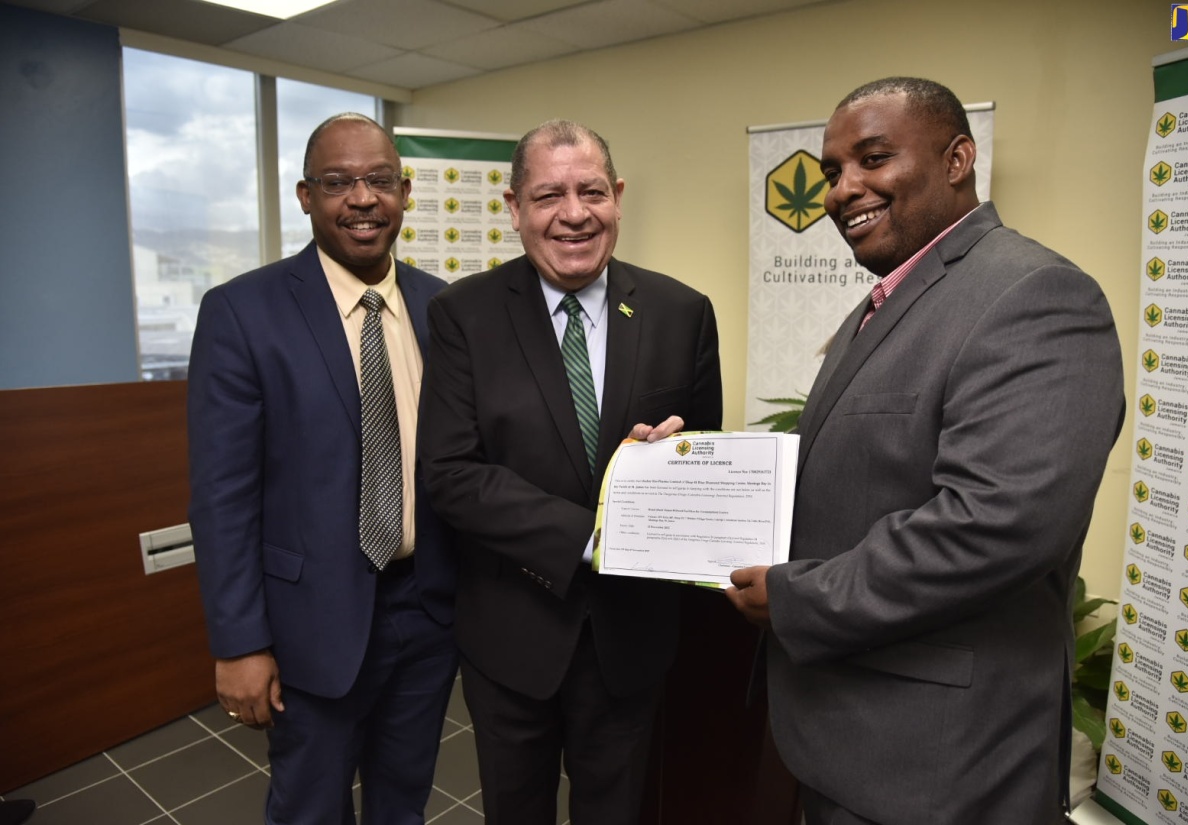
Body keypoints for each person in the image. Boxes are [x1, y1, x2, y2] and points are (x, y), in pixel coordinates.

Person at [726, 77, 1125, 825]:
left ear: (958, 158)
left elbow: (995, 522)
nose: (845, 189)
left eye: (873, 158)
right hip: (849, 735)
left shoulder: (1036, 296)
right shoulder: (882, 303)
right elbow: (856, 472)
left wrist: (798, 598)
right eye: (832, 172)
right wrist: (684, 473)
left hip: (938, 767)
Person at [417, 120, 722, 825]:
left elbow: (702, 459)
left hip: (630, 635)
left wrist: (672, 464)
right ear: (515, 207)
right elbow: (453, 473)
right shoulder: (463, 315)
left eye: (591, 191)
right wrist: (597, 535)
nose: (574, 213)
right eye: (549, 195)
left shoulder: (682, 312)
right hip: (512, 634)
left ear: (617, 196)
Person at [187, 112, 456, 825]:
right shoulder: (242, 312)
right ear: (306, 196)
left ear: (406, 191)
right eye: (338, 183)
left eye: (378, 180)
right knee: (310, 807)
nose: (361, 199)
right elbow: (223, 495)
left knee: (404, 801)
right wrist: (239, 641)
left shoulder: (447, 307)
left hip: (427, 612)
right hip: (311, 622)